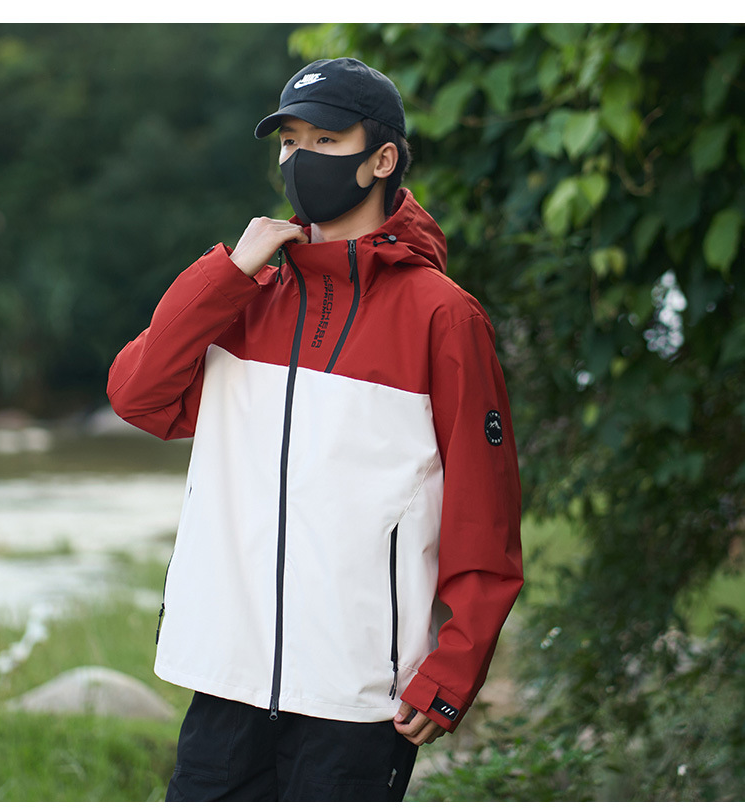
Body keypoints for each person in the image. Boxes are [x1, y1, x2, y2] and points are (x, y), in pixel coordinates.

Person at [107, 56, 523, 802]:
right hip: (226, 678)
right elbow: (138, 395)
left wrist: (453, 671)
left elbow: (483, 514)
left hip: (356, 696)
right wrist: (226, 274)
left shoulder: (443, 315)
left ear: (382, 159)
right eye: (290, 142)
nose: (301, 159)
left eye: (326, 141)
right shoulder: (247, 294)